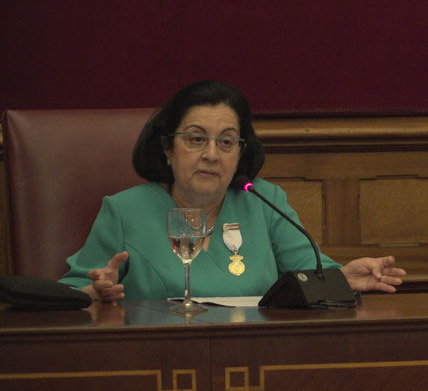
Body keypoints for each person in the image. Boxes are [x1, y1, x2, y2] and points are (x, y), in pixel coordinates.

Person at [59, 80, 405, 302]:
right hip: (154, 363)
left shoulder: (264, 201)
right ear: (167, 148)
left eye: (226, 142)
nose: (211, 154)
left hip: (258, 360)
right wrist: (95, 290)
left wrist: (342, 277)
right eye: (196, 139)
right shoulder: (124, 211)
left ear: (240, 152)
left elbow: (311, 273)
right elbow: (70, 292)